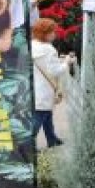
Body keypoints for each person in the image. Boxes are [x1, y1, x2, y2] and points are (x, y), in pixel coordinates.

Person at [31, 18, 72, 148]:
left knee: (46, 114)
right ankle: (27, 144)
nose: (54, 34)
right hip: (44, 88)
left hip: (33, 86)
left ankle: (52, 138)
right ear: (46, 33)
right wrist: (66, 62)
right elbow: (55, 71)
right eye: (52, 32)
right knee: (40, 115)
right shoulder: (49, 50)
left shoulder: (31, 45)